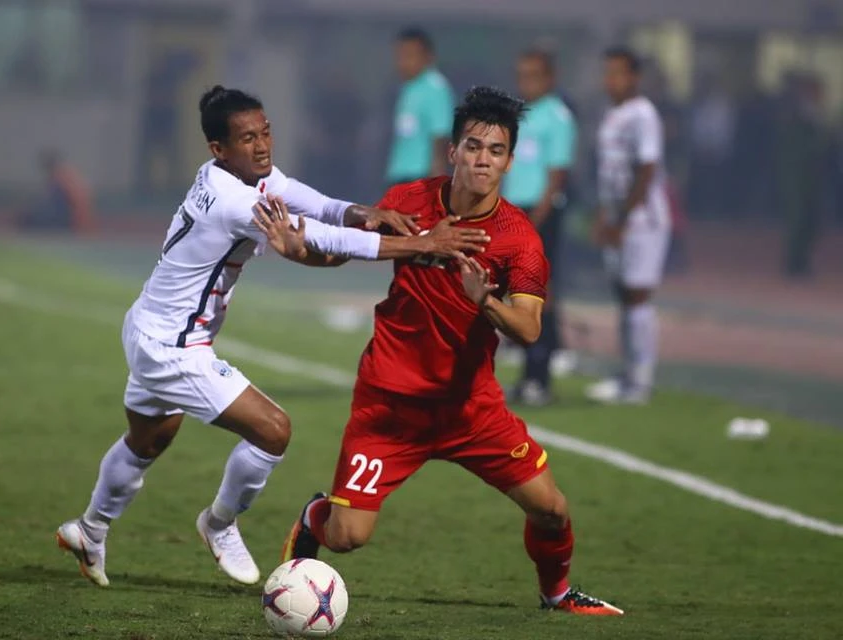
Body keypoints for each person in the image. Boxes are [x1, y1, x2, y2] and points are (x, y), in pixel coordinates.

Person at [55, 86, 488, 589]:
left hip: (148, 324)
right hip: (171, 348)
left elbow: (315, 204)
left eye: (265, 132)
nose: (262, 145)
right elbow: (321, 237)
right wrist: (424, 243)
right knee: (272, 430)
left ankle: (90, 530)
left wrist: (364, 212)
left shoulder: (233, 174)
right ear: (219, 148)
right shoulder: (235, 201)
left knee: (148, 439)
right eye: (247, 138)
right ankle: (219, 523)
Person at [268, 86, 623, 615]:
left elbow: (529, 329)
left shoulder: (519, 239)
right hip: (390, 405)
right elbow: (342, 254)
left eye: (496, 151)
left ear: (510, 161)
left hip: (470, 409)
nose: (483, 160)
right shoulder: (408, 199)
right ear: (453, 151)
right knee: (347, 537)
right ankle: (316, 516)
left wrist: (486, 302)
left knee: (551, 509)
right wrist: (299, 252)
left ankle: (556, 594)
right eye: (473, 147)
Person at [586, 47, 671, 405]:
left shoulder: (643, 114)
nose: (611, 80)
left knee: (637, 295)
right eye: (608, 73)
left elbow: (646, 168)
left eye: (618, 73)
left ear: (635, 77)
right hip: (617, 216)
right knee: (623, 295)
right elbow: (610, 173)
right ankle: (628, 374)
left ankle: (641, 381)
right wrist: (604, 216)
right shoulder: (612, 114)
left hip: (643, 219)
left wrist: (622, 220)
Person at [503, 48, 577, 406]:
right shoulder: (519, 115)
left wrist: (533, 223)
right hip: (516, 211)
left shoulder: (557, 117)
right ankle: (526, 375)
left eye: (533, 75)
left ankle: (539, 377)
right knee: (519, 293)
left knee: (539, 294)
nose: (526, 82)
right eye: (522, 75)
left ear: (550, 78)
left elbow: (557, 177)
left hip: (540, 214)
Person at [385, 27, 455, 187]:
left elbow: (440, 136)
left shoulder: (435, 88)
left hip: (420, 176)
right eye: (400, 56)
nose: (403, 63)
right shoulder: (408, 88)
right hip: (400, 174)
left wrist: (435, 184)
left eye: (410, 56)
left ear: (428, 57)